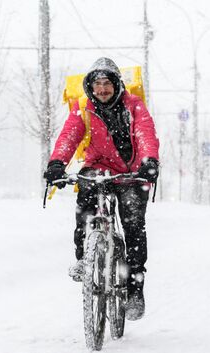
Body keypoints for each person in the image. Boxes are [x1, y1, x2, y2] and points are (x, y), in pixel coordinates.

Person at [43, 57, 160, 321]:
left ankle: (134, 290)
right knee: (85, 205)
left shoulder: (134, 106)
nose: (103, 89)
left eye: (107, 83)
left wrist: (149, 161)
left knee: (133, 225)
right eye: (98, 84)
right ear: (90, 87)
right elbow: (69, 136)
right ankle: (84, 259)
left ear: (116, 84)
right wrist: (57, 163)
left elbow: (145, 134)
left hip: (130, 172)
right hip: (98, 167)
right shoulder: (83, 108)